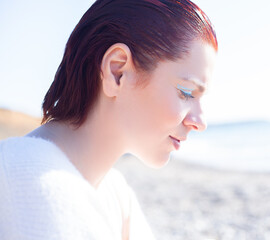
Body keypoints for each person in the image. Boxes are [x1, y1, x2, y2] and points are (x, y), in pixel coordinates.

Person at [0, 0, 217, 239]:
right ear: (117, 72)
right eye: (186, 92)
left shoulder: (115, 192)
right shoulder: (23, 179)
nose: (200, 121)